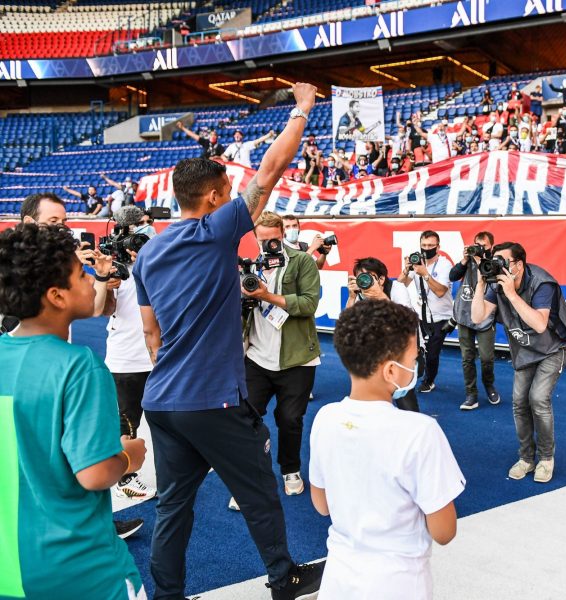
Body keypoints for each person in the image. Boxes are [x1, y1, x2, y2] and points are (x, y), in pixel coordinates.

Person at [133, 82, 325, 600]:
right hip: (211, 397)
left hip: (163, 398)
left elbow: (152, 332)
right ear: (215, 198)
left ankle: (167, 594)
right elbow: (269, 172)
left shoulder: (147, 254)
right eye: (227, 190)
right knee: (259, 490)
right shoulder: (214, 232)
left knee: (173, 505)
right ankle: (283, 576)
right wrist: (302, 111)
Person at [0, 223, 149, 598]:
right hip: (79, 568)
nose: (90, 279)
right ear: (56, 296)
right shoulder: (78, 365)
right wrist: (129, 457)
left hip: (11, 567)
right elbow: (95, 474)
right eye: (80, 274)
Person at [308, 299, 464, 599]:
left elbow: (322, 504)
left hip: (339, 577)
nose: (415, 363)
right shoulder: (420, 432)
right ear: (391, 371)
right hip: (399, 583)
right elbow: (444, 532)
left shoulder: (325, 418)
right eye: (413, 356)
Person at [228, 211, 321, 511]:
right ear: (254, 237)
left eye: (274, 239)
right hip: (256, 354)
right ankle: (248, 482)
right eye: (262, 239)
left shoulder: (302, 261)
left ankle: (290, 468)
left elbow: (309, 304)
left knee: (290, 420)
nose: (268, 244)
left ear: (283, 233)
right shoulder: (248, 266)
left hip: (296, 358)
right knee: (247, 419)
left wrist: (268, 296)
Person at [470, 242, 566, 483]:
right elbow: (477, 317)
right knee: (519, 402)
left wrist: (510, 293)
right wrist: (480, 284)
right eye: (494, 260)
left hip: (553, 348)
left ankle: (546, 459)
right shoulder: (496, 284)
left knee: (538, 398)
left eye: (503, 261)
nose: (497, 266)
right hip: (525, 351)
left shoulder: (541, 283)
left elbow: (540, 324)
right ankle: (526, 458)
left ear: (519, 265)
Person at [101, 219, 158, 501]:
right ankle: (124, 477)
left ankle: (169, 471)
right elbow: (103, 308)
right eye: (137, 230)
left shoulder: (158, 265)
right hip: (125, 360)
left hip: (158, 357)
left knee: (165, 419)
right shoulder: (114, 271)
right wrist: (106, 283)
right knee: (128, 422)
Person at [345, 256, 420, 412]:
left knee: (404, 400)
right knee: (372, 401)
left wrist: (379, 295)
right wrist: (352, 297)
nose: (365, 281)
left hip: (402, 354)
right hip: (375, 354)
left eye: (369, 277)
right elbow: (346, 325)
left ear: (381, 279)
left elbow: (406, 322)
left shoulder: (397, 288)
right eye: (361, 277)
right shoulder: (360, 294)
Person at [397, 230, 454, 394]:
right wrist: (406, 270)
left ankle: (429, 381)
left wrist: (426, 275)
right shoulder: (417, 263)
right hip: (421, 315)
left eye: (430, 245)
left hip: (440, 316)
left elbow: (441, 291)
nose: (426, 248)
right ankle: (414, 376)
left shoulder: (444, 265)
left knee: (432, 353)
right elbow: (400, 285)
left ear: (438, 247)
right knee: (416, 350)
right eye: (424, 245)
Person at [449, 232, 500, 411]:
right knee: (467, 357)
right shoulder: (468, 260)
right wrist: (464, 260)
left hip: (485, 315)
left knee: (487, 357)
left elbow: (494, 280)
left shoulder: (495, 262)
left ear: (491, 247)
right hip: (464, 314)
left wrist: (482, 260)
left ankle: (489, 384)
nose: (479, 248)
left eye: (483, 246)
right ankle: (471, 394)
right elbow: (452, 276)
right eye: (476, 245)